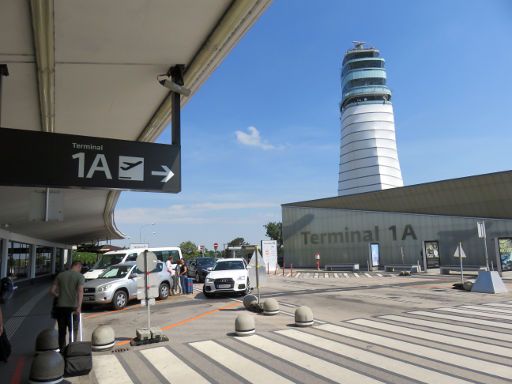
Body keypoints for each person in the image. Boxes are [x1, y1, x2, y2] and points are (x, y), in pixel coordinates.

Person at [50, 261, 84, 352]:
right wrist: (79, 306)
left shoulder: (60, 275)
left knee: (61, 330)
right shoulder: (79, 276)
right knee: (73, 330)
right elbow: (80, 291)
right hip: (73, 307)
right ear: (78, 266)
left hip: (60, 307)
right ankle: (72, 350)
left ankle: (62, 350)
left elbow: (52, 291)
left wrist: (59, 295)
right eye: (80, 268)